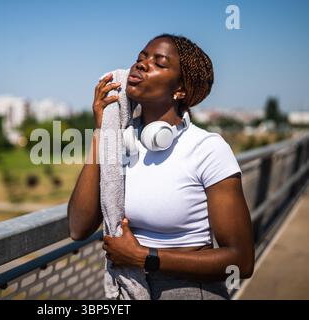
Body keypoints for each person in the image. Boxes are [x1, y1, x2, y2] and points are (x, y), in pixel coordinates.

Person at [67, 34, 254, 300]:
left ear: (180, 90)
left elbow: (241, 261)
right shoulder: (123, 144)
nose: (141, 65)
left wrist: (144, 257)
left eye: (159, 62)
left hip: (189, 290)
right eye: (141, 57)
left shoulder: (208, 148)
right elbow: (78, 227)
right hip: (130, 288)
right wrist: (103, 131)